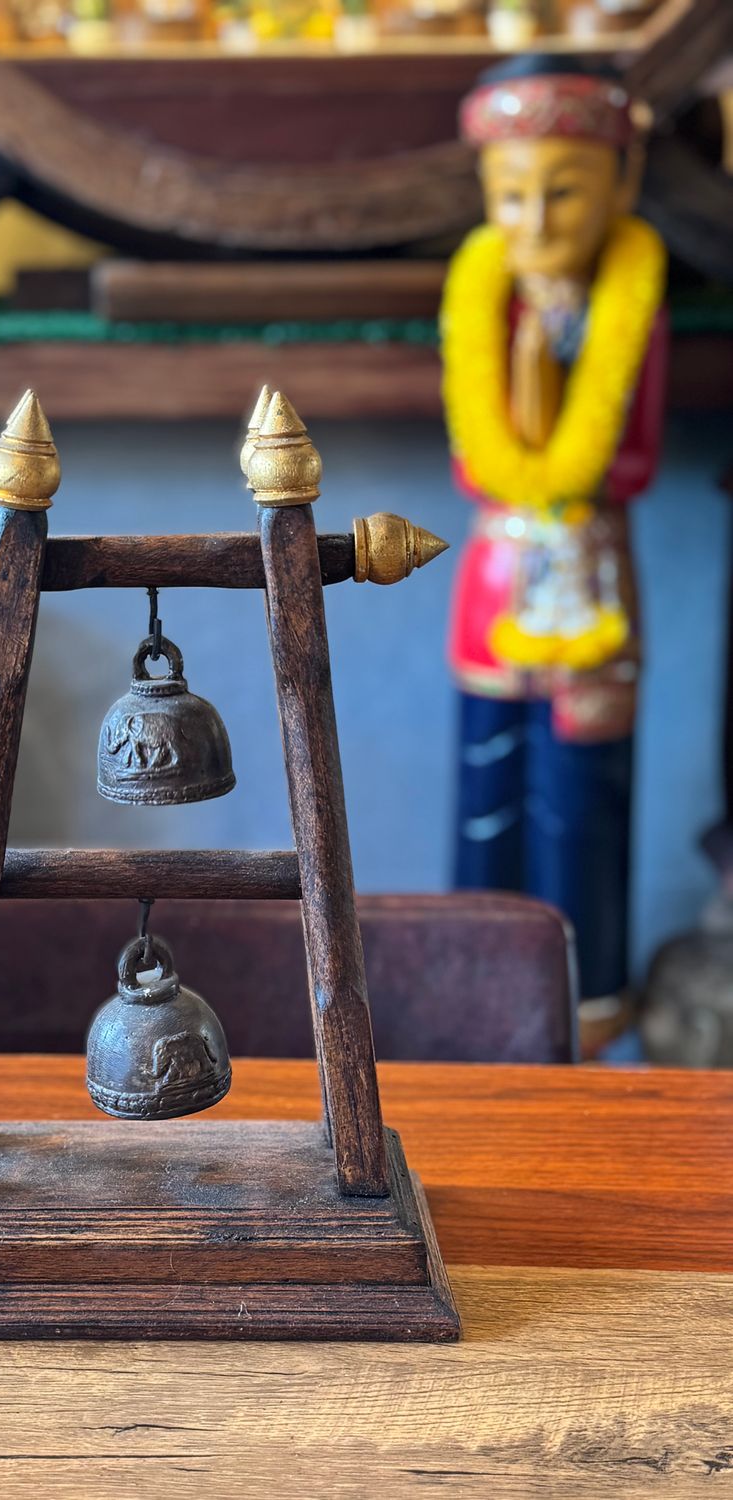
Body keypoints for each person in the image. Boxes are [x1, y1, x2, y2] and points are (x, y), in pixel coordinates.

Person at [441, 55, 668, 1041]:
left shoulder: (634, 306)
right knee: (488, 800)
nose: (534, 224)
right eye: (513, 195)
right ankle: (471, 986)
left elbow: (636, 457)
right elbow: (472, 460)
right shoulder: (482, 301)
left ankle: (587, 1003)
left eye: (563, 193)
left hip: (594, 579)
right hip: (495, 585)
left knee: (583, 807)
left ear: (620, 181)